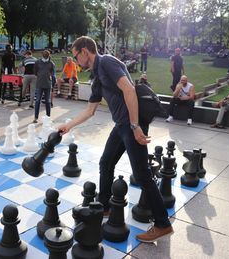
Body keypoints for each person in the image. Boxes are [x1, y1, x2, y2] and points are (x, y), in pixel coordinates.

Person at [58, 36, 173, 243]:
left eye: (76, 56)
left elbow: (129, 89)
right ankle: (105, 207)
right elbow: (90, 110)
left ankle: (163, 224)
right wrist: (68, 125)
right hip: (121, 126)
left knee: (142, 174)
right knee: (106, 162)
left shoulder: (108, 62)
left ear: (85, 51)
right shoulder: (96, 74)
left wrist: (135, 125)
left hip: (130, 125)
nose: (75, 61)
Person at [33, 50, 55, 123]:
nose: (45, 56)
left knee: (48, 101)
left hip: (48, 84)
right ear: (42, 55)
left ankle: (48, 117)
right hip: (39, 84)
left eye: (47, 55)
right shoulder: (37, 62)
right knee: (37, 101)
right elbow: (35, 72)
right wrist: (40, 76)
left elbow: (52, 74)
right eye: (44, 55)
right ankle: (36, 117)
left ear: (49, 56)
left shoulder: (51, 63)